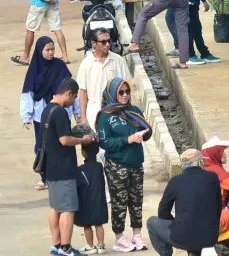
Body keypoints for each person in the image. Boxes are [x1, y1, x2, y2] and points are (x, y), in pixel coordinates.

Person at [96, 77, 152, 252]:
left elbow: (147, 135)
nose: (125, 95)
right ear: (113, 94)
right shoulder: (105, 116)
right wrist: (127, 140)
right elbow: (105, 142)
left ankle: (137, 234)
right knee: (119, 202)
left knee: (136, 201)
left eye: (127, 92)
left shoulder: (134, 111)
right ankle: (119, 237)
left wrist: (145, 131)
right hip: (117, 165)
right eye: (121, 92)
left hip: (136, 164)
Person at [44, 78, 95, 256]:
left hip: (50, 167)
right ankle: (65, 247)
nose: (73, 101)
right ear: (68, 93)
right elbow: (64, 139)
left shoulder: (47, 109)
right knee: (67, 208)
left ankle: (56, 245)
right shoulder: (60, 113)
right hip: (63, 168)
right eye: (74, 97)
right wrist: (83, 140)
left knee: (55, 207)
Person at [21, 36, 80, 190]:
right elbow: (28, 92)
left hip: (61, 113)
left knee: (62, 144)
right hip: (41, 115)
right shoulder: (34, 70)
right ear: (40, 51)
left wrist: (77, 112)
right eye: (47, 50)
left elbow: (72, 91)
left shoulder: (60, 66)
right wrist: (26, 116)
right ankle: (44, 176)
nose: (51, 53)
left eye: (53, 49)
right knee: (42, 145)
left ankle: (60, 175)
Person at [147, 149, 222, 256]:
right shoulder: (212, 177)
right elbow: (218, 207)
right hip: (210, 238)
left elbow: (162, 211)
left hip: (183, 237)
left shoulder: (175, 181)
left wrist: (176, 223)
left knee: (151, 222)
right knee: (196, 225)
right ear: (200, 162)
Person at [77, 28, 133, 130]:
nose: (107, 44)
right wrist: (83, 117)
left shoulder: (118, 60)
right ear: (93, 43)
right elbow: (83, 92)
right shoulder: (86, 64)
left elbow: (126, 88)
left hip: (116, 112)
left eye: (109, 41)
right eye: (103, 42)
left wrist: (128, 112)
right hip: (94, 112)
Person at [75, 140, 108, 255]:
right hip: (99, 200)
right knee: (99, 224)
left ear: (83, 153)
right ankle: (101, 245)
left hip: (86, 202)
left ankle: (90, 246)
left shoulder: (80, 169)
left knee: (87, 225)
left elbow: (79, 185)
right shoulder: (99, 167)